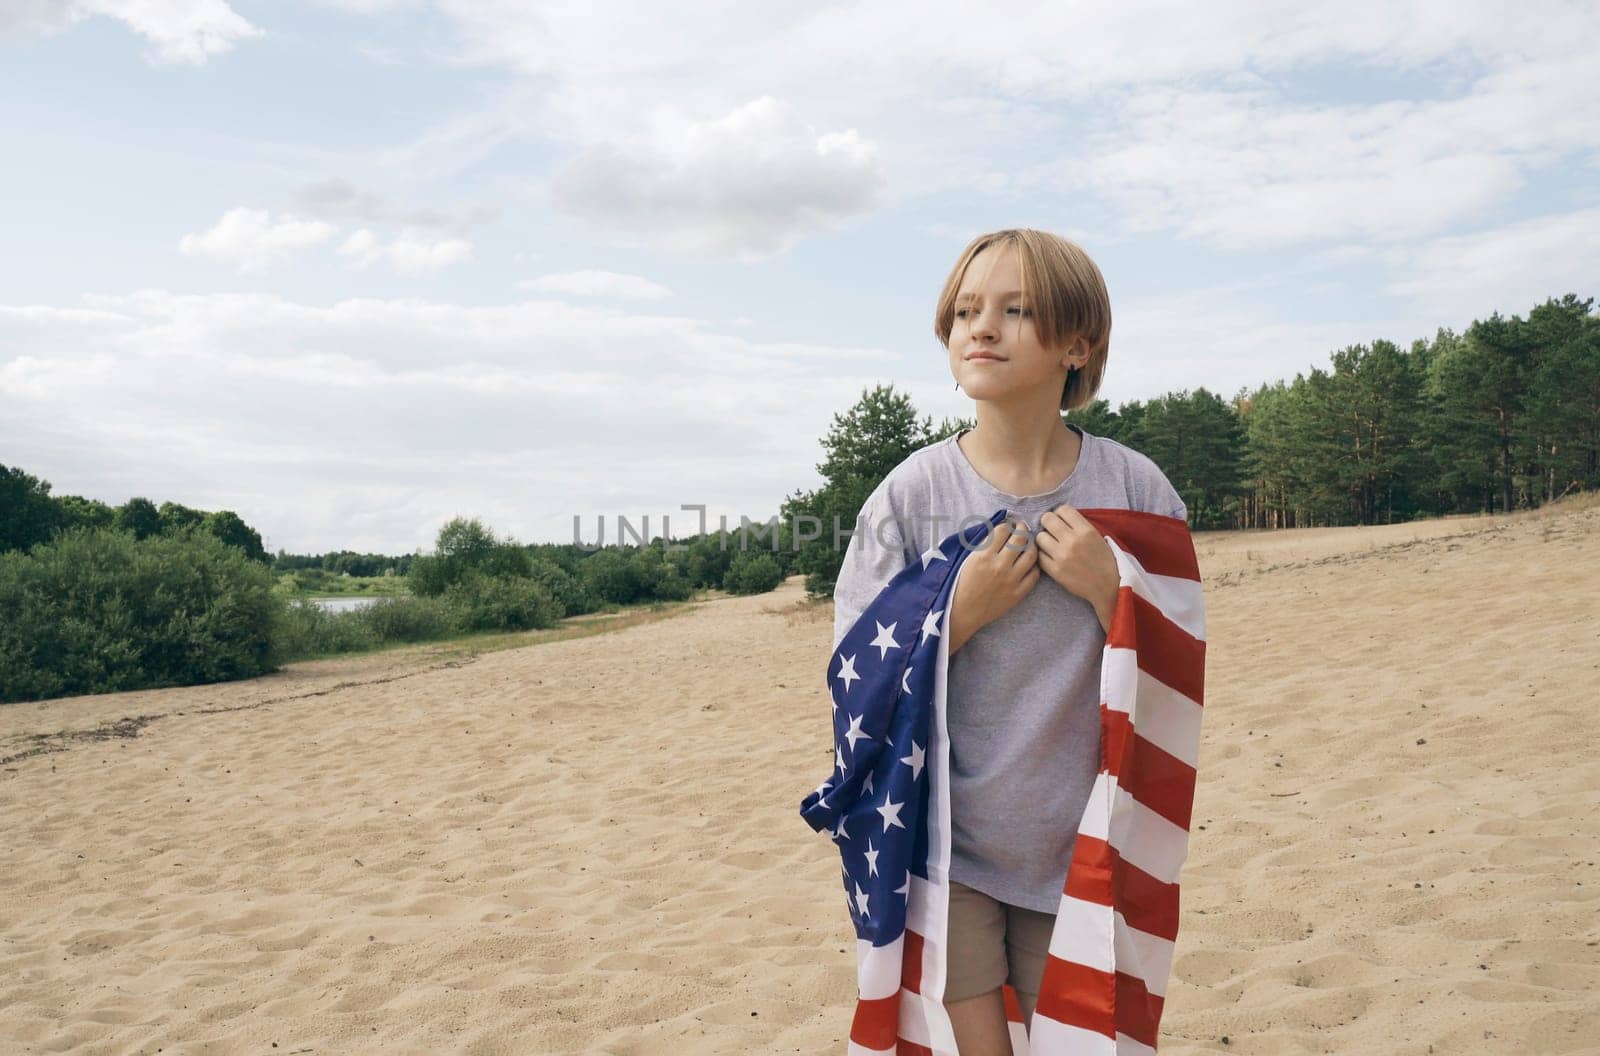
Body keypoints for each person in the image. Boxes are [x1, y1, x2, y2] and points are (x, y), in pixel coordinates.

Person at [830, 228, 1187, 1055]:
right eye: (964, 312)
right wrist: (958, 616)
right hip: (948, 850)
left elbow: (1182, 664)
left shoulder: (1133, 487)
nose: (980, 329)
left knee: (1082, 1041)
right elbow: (853, 664)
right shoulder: (912, 494)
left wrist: (1113, 592)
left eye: (1015, 311)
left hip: (1085, 843)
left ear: (1077, 344)